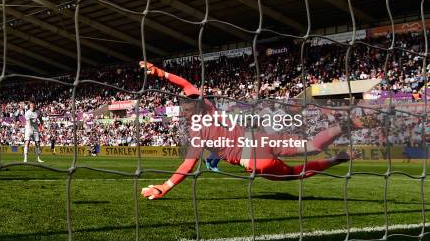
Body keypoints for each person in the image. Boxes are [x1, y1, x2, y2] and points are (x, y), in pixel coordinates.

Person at [138, 61, 361, 200]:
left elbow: (187, 166)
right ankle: (344, 125)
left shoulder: (196, 133)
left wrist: (164, 187)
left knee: (296, 173)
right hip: (261, 140)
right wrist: (160, 72)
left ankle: (336, 160)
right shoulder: (208, 105)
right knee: (311, 146)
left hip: (254, 159)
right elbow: (186, 84)